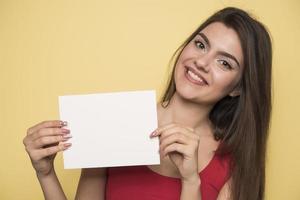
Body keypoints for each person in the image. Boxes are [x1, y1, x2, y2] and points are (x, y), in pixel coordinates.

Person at [23, 7, 272, 200]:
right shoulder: (113, 121)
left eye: (224, 62)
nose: (202, 62)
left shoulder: (234, 165)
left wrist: (190, 181)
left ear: (238, 88)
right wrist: (45, 174)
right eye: (200, 44)